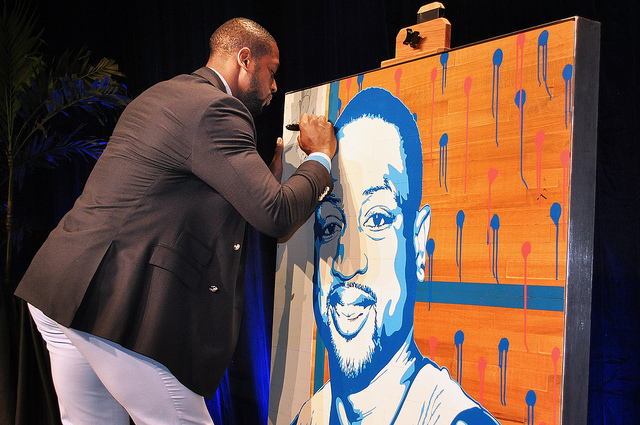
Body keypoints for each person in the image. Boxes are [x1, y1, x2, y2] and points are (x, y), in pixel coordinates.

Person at [15, 18, 336, 425]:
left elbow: (186, 197)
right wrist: (320, 157)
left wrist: (266, 184)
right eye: (271, 72)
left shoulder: (165, 93)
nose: (275, 86)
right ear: (245, 60)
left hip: (60, 287)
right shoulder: (217, 109)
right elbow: (276, 215)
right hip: (110, 299)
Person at [293, 87, 498, 425]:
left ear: (418, 243)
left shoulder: (453, 419)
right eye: (331, 226)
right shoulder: (308, 417)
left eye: (377, 219)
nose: (347, 264)